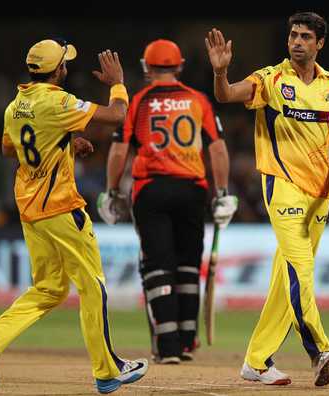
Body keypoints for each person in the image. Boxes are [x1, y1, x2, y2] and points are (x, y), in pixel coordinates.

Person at [205, 12, 329, 386]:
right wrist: (220, 73)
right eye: (293, 35)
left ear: (320, 44)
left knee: (287, 277)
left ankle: (257, 361)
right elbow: (227, 94)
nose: (297, 41)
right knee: (301, 268)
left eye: (305, 37)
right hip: (282, 185)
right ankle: (320, 351)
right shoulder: (270, 79)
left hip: (321, 193)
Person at [0, 39, 148, 394]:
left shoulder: (16, 105)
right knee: (93, 287)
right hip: (60, 208)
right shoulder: (57, 100)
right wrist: (118, 83)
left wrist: (63, 140)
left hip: (30, 210)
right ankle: (108, 370)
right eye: (65, 64)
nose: (67, 68)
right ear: (58, 70)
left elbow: (8, 147)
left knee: (48, 288)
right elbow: (117, 115)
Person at [98, 39, 237, 364]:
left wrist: (112, 190)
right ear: (180, 66)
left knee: (157, 267)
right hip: (192, 191)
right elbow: (217, 148)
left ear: (146, 68)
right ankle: (188, 341)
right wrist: (222, 193)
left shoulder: (140, 102)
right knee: (188, 265)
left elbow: (119, 150)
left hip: (152, 190)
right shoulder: (197, 100)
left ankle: (168, 347)